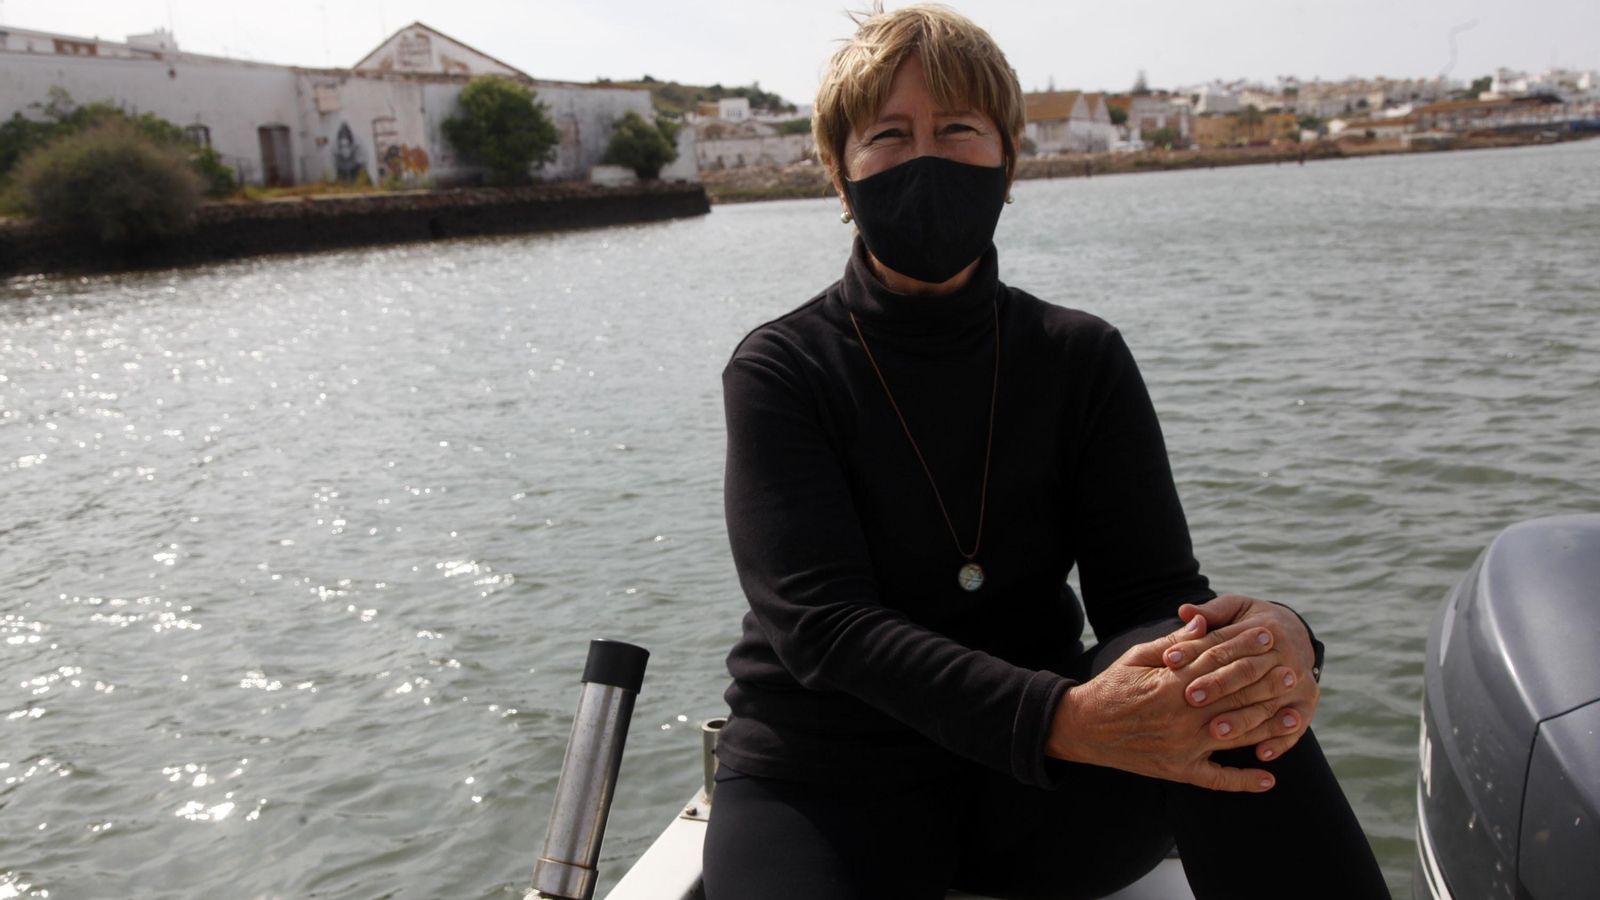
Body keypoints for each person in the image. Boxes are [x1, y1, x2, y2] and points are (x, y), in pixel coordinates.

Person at [703, 5, 1389, 898]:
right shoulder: (783, 368)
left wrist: (1278, 640)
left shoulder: (1079, 355)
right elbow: (822, 627)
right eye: (889, 136)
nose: (927, 159)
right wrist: (1062, 717)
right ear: (841, 174)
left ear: (1008, 160)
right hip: (831, 775)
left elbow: (1150, 597)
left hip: (1041, 788)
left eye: (957, 129)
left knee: (1226, 692)